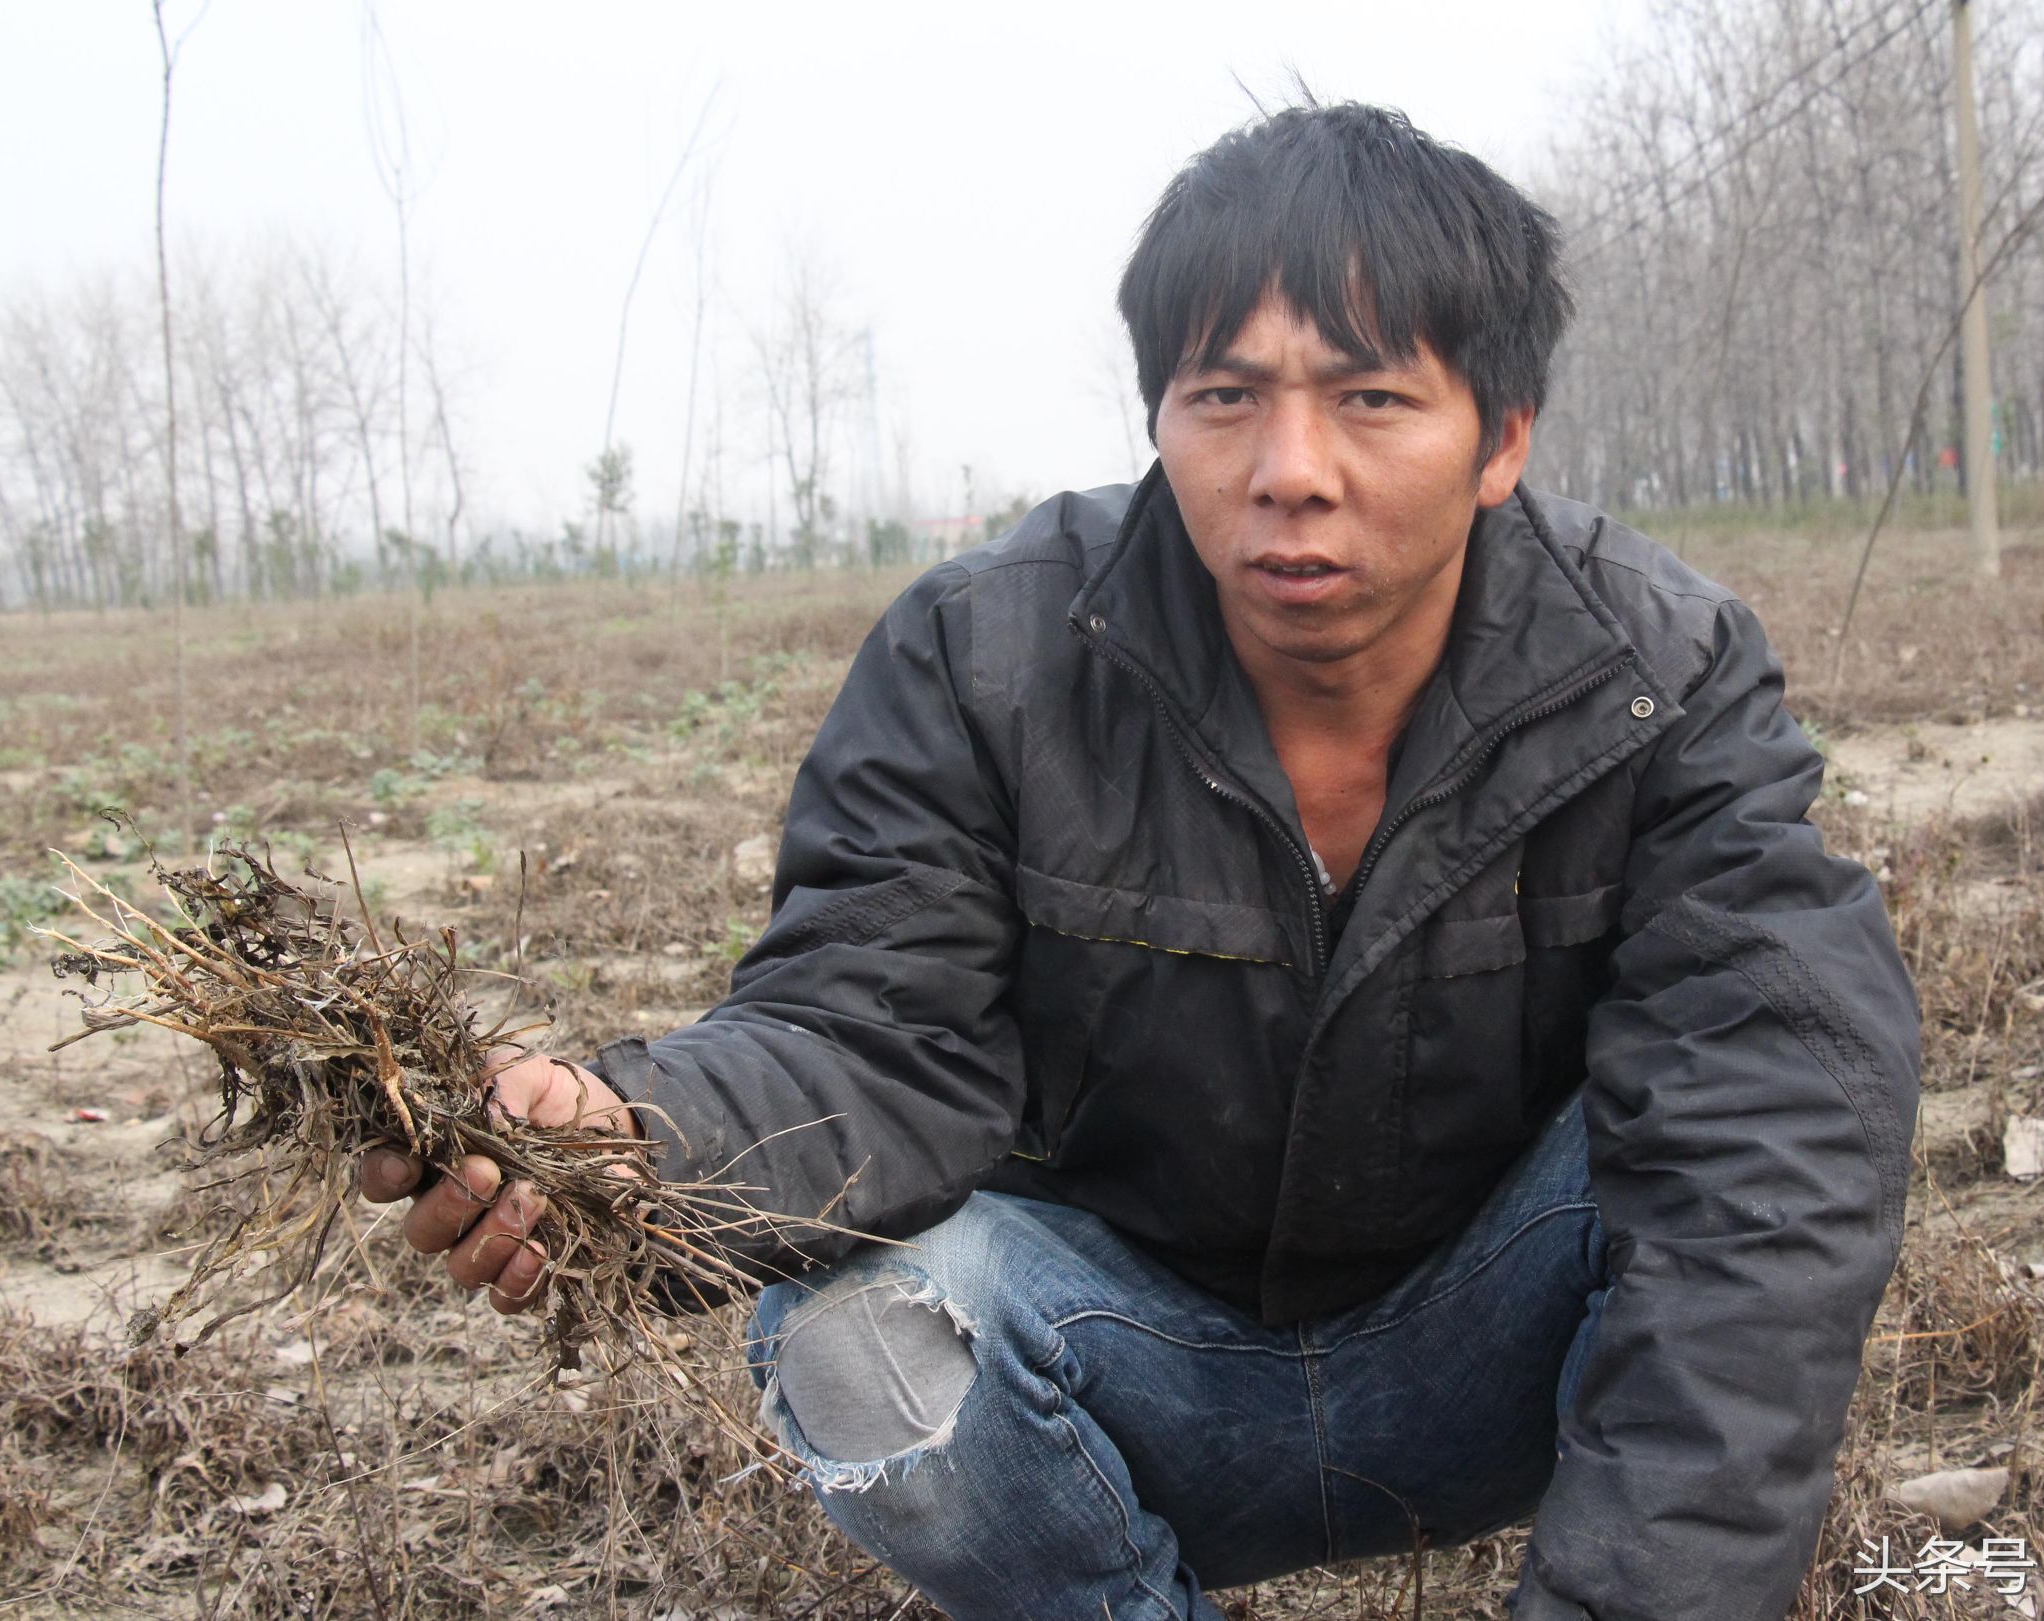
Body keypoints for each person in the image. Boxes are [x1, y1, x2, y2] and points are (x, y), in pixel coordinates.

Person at [361, 102, 1920, 1621]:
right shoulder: (988, 659)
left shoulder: (1652, 672)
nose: (1286, 467)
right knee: (850, 1329)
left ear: (1500, 436)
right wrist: (633, 1137)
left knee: (1742, 1150)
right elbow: (865, 1033)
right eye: (1223, 395)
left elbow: (1761, 1159)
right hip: (1136, 1362)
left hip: (1492, 1342)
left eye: (1369, 399)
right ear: (1159, 415)